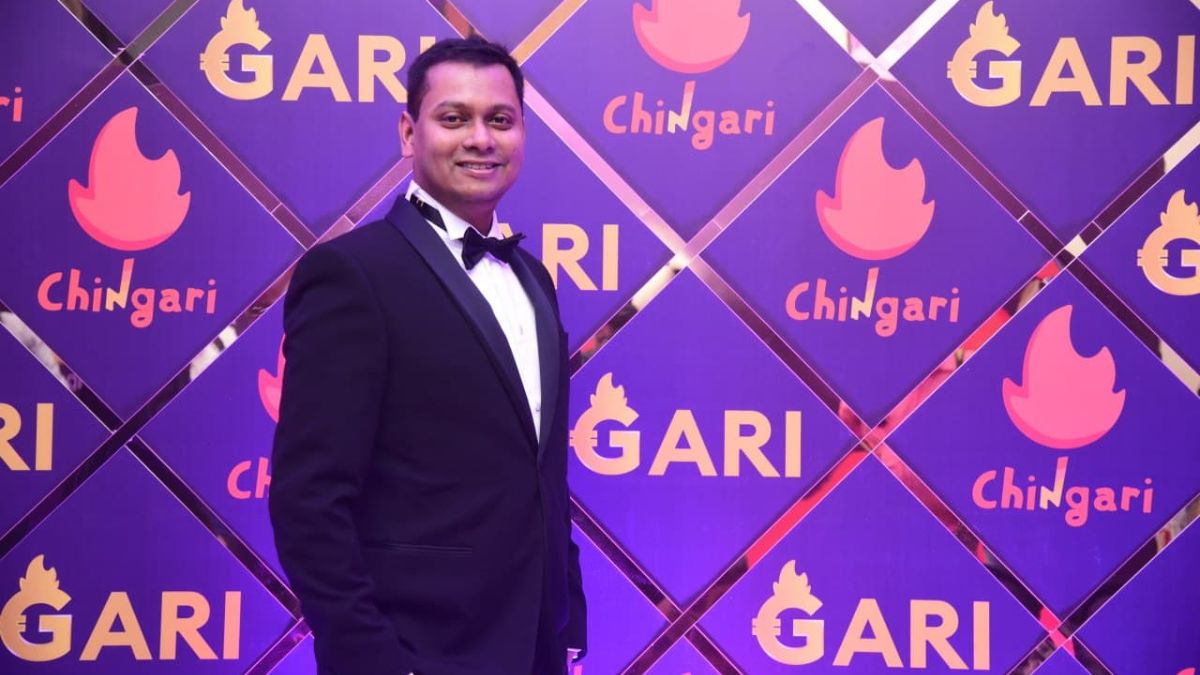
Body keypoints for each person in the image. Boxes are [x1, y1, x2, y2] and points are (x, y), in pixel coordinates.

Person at [269, 35, 586, 675]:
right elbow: (309, 499)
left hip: (535, 651)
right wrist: (373, 658)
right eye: (454, 118)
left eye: (500, 120)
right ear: (409, 133)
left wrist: (568, 626)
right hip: (416, 653)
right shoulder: (353, 274)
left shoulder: (534, 279)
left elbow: (541, 477)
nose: (481, 139)